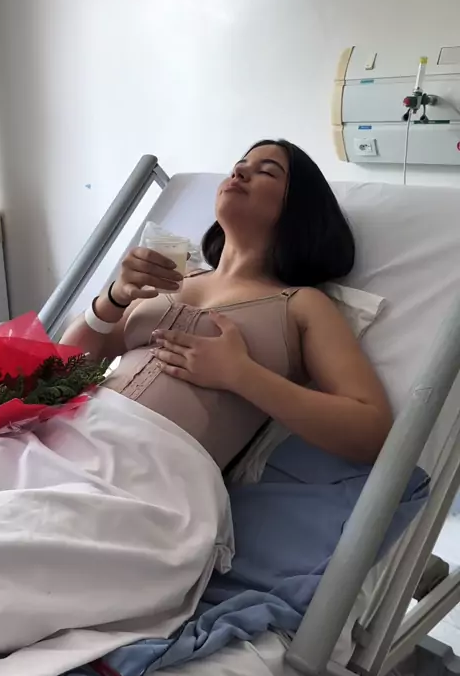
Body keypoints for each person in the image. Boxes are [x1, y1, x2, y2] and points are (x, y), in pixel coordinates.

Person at [62, 139, 392, 469]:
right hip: (69, 436)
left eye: (267, 172)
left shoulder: (302, 304)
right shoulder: (172, 276)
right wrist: (113, 298)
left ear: (299, 207)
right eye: (239, 166)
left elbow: (370, 431)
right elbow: (62, 370)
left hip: (149, 475)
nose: (239, 173)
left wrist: (241, 374)